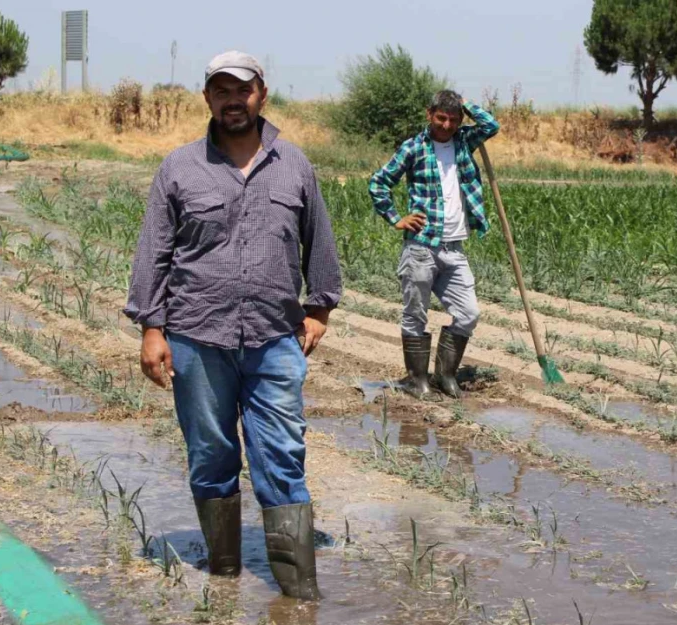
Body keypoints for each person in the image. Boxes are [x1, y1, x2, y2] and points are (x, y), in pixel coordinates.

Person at [124, 50, 342, 600]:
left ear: (262, 94)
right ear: (208, 99)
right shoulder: (179, 168)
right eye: (221, 90)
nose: (232, 100)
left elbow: (320, 238)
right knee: (211, 456)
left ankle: (298, 594)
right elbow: (154, 253)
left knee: (283, 456)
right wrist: (152, 329)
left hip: (274, 338)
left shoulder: (294, 165)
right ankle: (223, 575)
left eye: (242, 89)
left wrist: (319, 309)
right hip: (197, 336)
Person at [368, 90, 500, 399]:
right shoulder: (413, 148)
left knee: (469, 313)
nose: (447, 125)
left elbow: (491, 124)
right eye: (441, 117)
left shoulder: (465, 141)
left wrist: (463, 102)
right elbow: (378, 182)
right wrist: (396, 218)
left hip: (454, 247)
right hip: (421, 247)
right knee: (415, 314)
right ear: (430, 114)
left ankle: (445, 375)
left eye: (454, 119)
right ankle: (417, 380)